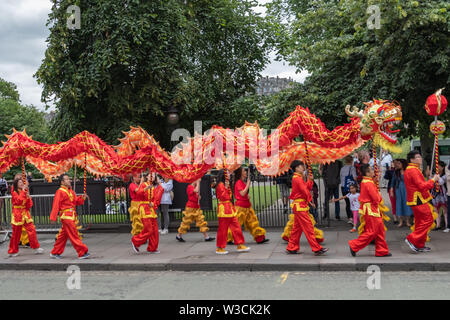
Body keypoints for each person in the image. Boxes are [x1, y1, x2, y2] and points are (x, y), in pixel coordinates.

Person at [348, 164, 391, 257]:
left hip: (372, 209)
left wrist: (375, 181)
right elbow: (376, 198)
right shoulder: (368, 183)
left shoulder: (367, 181)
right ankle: (354, 245)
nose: (373, 171)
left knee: (379, 230)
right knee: (372, 231)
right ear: (367, 172)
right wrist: (378, 194)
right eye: (371, 170)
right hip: (371, 209)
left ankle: (382, 250)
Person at [286, 160, 328, 255]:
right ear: (296, 168)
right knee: (308, 228)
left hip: (300, 206)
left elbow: (306, 188)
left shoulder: (298, 178)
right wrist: (310, 201)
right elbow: (305, 191)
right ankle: (316, 248)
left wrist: (310, 180)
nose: (303, 167)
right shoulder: (297, 178)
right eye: (301, 166)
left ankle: (292, 246)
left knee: (297, 229)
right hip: (300, 206)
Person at [404, 150, 440, 253]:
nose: (420, 158)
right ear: (412, 159)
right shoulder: (413, 170)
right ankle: (412, 238)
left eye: (420, 157)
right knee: (428, 220)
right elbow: (422, 186)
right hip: (418, 199)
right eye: (418, 157)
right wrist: (433, 180)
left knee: (420, 222)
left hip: (416, 199)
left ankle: (419, 244)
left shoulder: (413, 169)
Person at [49, 174, 90, 259]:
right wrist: (53, 217)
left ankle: (55, 252)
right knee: (74, 234)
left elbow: (75, 201)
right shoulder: (60, 191)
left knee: (62, 236)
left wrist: (82, 198)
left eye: (69, 179)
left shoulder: (70, 191)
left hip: (71, 215)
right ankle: (82, 252)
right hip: (66, 216)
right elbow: (56, 205)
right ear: (62, 182)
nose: (69, 181)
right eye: (67, 179)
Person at [227, 167, 269, 244]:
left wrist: (247, 194)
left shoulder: (242, 182)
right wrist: (248, 185)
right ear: (240, 173)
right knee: (237, 224)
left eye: (246, 171)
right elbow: (242, 193)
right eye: (244, 171)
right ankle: (229, 238)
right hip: (240, 208)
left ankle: (259, 237)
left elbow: (244, 194)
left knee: (253, 222)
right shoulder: (238, 182)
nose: (246, 172)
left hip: (247, 206)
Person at [214, 170, 250, 255]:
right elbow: (223, 197)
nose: (229, 175)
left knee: (236, 226)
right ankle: (220, 247)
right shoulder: (220, 185)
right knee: (223, 229)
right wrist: (226, 188)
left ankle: (240, 244)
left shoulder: (226, 184)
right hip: (224, 210)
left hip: (229, 209)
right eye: (227, 173)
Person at [8, 175, 43, 257]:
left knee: (32, 230)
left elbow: (29, 205)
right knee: (16, 233)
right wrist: (24, 192)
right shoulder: (14, 192)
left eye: (22, 182)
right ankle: (13, 250)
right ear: (16, 184)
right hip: (17, 214)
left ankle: (35, 247)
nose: (21, 183)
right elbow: (18, 201)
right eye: (19, 182)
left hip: (25, 213)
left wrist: (28, 198)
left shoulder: (24, 191)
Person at [131, 173, 164, 254]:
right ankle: (135, 241)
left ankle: (152, 248)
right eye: (150, 175)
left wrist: (159, 183)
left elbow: (158, 195)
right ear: (147, 177)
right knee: (148, 230)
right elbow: (138, 193)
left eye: (154, 175)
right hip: (144, 209)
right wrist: (146, 188)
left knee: (155, 231)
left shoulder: (154, 187)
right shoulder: (143, 184)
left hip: (151, 210)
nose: (152, 176)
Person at [392, 159, 413, 227]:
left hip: (407, 189)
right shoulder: (396, 172)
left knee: (407, 204)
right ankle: (400, 222)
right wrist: (391, 190)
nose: (397, 165)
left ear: (403, 164)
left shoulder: (408, 171)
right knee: (399, 204)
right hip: (398, 189)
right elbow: (393, 182)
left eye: (399, 163)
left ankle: (407, 221)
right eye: (397, 163)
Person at [340, 155, 357, 224]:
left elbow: (341, 177)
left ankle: (349, 218)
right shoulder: (352, 168)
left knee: (347, 203)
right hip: (350, 187)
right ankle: (352, 217)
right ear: (351, 161)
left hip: (343, 187)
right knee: (352, 202)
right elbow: (354, 177)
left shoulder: (342, 168)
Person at [431, 161, 447, 231]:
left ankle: (447, 225)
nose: (438, 168)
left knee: (445, 210)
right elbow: (431, 182)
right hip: (435, 194)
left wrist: (436, 177)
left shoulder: (445, 175)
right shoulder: (435, 174)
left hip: (442, 194)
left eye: (439, 166)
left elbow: (441, 182)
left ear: (443, 167)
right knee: (436, 210)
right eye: (437, 166)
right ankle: (438, 225)